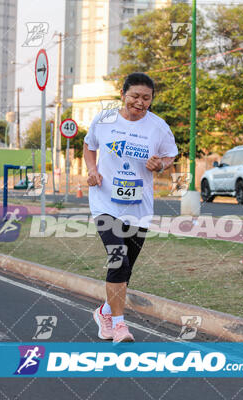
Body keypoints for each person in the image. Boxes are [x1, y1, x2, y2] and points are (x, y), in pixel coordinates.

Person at [84, 72, 178, 343]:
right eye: (135, 96)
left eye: (146, 98)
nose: (140, 102)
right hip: (104, 201)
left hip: (139, 206)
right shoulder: (105, 120)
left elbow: (170, 154)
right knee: (118, 259)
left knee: (126, 268)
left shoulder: (158, 127)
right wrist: (92, 169)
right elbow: (89, 146)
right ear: (123, 94)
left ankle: (104, 311)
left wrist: (160, 164)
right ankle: (120, 325)